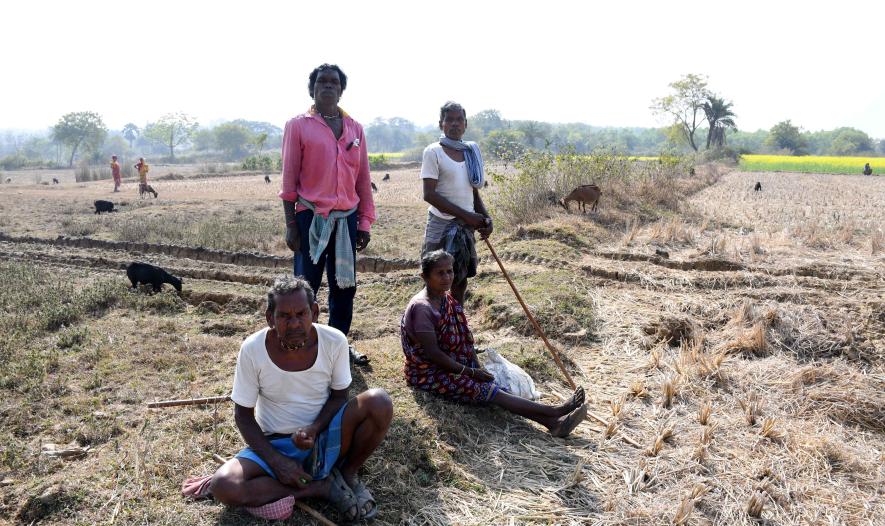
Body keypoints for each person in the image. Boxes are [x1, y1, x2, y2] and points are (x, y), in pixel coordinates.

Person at [207, 275, 392, 521]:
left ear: (314, 313)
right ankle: (322, 487)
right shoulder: (252, 349)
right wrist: (276, 461)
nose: (294, 324)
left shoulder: (334, 341)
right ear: (269, 318)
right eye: (284, 316)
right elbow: (242, 415)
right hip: (273, 443)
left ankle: (347, 474)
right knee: (223, 485)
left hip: (325, 436)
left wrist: (314, 428)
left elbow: (339, 397)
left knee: (379, 402)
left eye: (301, 314)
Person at [400, 250, 587, 438]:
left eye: (450, 271)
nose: (447, 277)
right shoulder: (422, 308)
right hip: (428, 373)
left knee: (493, 385)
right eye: (440, 273)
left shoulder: (445, 298)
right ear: (424, 276)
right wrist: (471, 372)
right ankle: (554, 411)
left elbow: (465, 337)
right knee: (489, 391)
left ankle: (553, 424)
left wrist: (475, 366)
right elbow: (434, 355)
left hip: (453, 365)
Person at [280, 63, 375, 367]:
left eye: (334, 82)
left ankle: (337, 345)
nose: (328, 86)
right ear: (313, 88)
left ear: (341, 89)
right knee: (303, 287)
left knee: (344, 286)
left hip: (346, 220)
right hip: (310, 219)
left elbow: (362, 180)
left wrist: (364, 222)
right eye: (322, 82)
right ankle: (300, 344)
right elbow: (289, 180)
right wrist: (291, 224)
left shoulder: (355, 129)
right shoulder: (299, 125)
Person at [420, 102, 493, 305]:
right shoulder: (433, 152)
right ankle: (432, 324)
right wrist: (467, 216)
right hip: (441, 224)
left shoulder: (471, 152)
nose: (454, 124)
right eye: (449, 119)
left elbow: (473, 192)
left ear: (465, 124)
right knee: (436, 280)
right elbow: (430, 195)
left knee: (459, 281)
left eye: (459, 119)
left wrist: (486, 219)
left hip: (464, 227)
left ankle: (456, 326)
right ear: (441, 124)